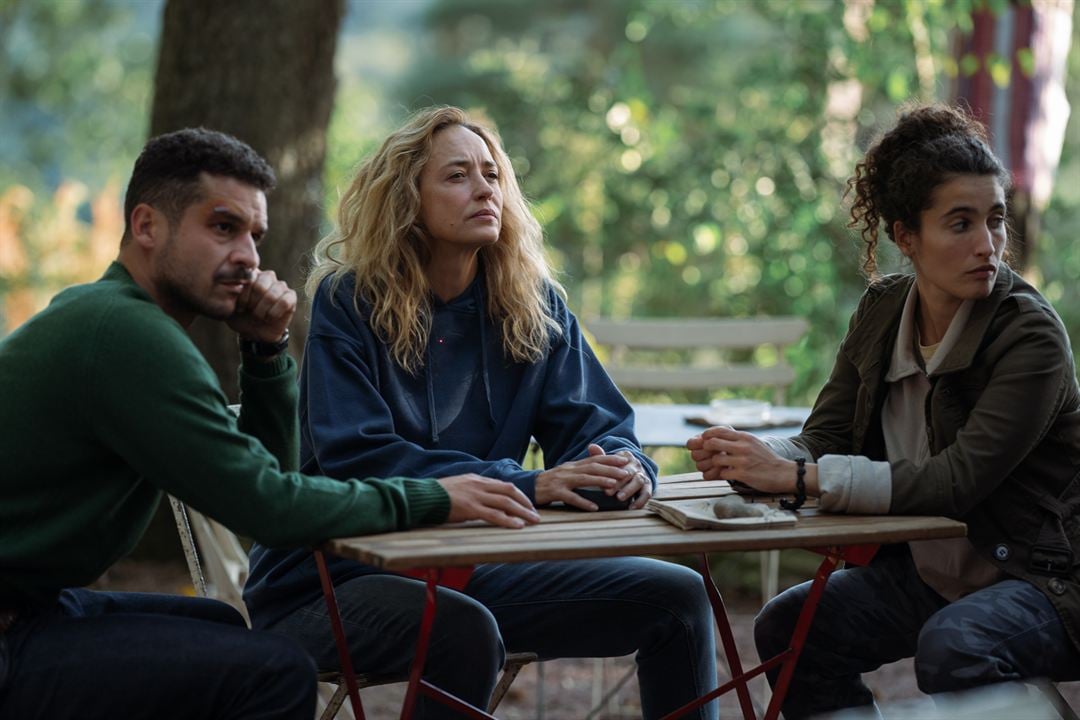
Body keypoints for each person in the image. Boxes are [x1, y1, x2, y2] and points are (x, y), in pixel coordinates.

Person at [0, 127, 541, 720]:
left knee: (219, 623)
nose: (247, 258)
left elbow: (267, 479)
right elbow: (272, 510)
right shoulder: (126, 337)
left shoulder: (117, 320)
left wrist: (263, 353)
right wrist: (432, 497)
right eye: (222, 227)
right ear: (147, 226)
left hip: (36, 606)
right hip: (14, 631)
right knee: (273, 674)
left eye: (255, 236)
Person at [244, 106, 719, 719]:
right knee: (460, 628)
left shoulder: (533, 304)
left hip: (473, 569)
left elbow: (598, 426)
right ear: (406, 198)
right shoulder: (350, 301)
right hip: (329, 583)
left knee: (678, 596)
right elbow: (357, 457)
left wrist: (624, 467)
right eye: (457, 176)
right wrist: (527, 482)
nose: (484, 189)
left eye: (492, 175)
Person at [688, 104, 1080, 718]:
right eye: (960, 224)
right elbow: (827, 434)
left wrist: (793, 478)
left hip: (1045, 581)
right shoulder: (881, 311)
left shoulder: (1029, 336)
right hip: (933, 574)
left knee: (957, 646)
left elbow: (957, 481)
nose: (988, 245)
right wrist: (756, 458)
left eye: (995, 221)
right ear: (905, 236)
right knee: (792, 629)